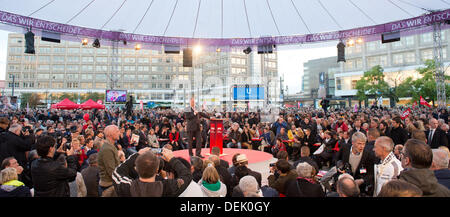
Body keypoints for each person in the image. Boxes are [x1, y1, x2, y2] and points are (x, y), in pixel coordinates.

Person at [113, 147, 192, 197]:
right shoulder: (167, 187)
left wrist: (137, 154)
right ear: (157, 169)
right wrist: (172, 159)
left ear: (136, 168)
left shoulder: (127, 187)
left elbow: (117, 172)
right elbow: (187, 175)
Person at [334, 132, 378, 196]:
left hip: (359, 188)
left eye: (364, 144)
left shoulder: (369, 154)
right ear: (353, 142)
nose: (362, 146)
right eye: (359, 144)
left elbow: (371, 173)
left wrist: (362, 180)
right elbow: (336, 159)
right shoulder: (345, 148)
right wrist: (339, 167)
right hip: (344, 184)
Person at [97, 125, 121, 196]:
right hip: (109, 187)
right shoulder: (107, 149)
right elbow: (111, 171)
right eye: (117, 131)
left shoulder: (110, 146)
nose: (119, 133)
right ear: (110, 134)